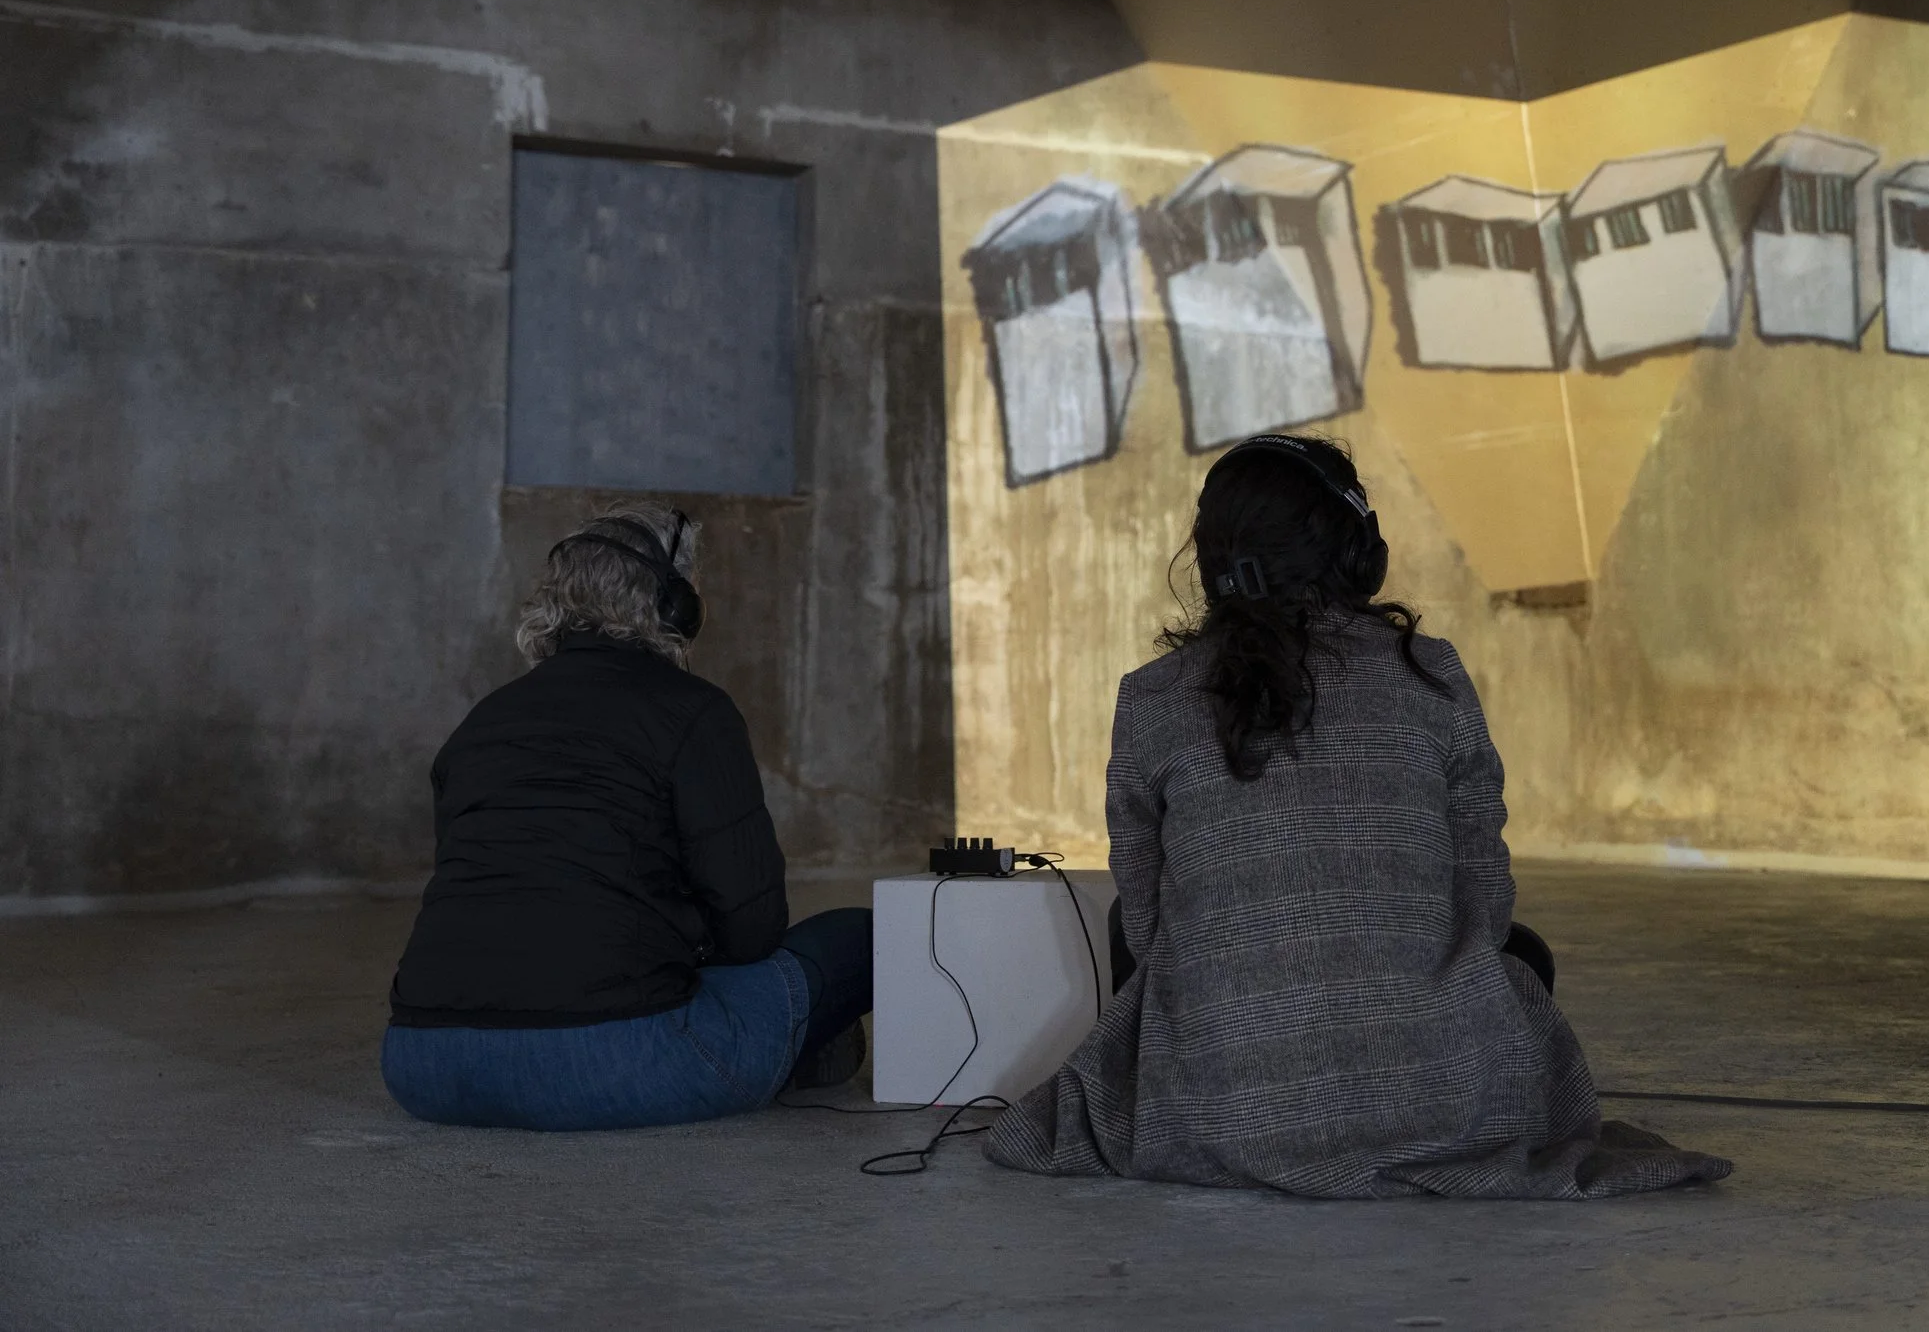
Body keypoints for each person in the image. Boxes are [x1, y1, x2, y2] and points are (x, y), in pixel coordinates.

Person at [985, 436, 1732, 1198]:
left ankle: (1254, 1082)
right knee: (1520, 956)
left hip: (1225, 1114)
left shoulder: (1151, 697)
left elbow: (1145, 925)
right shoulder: (1430, 674)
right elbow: (1485, 899)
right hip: (1443, 1107)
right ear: (1360, 552)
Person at [381, 501, 871, 1130]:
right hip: (615, 1062)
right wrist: (682, 934)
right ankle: (787, 1051)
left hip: (423, 1068)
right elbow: (752, 929)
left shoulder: (480, 723)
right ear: (676, 606)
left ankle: (784, 1049)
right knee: (866, 938)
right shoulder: (694, 711)